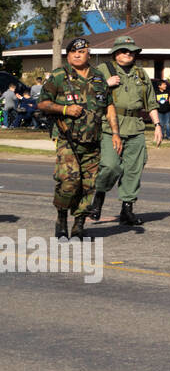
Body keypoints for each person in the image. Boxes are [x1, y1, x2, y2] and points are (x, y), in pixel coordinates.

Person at [36, 38, 114, 239]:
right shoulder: (59, 76)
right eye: (73, 52)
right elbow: (42, 104)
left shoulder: (98, 77)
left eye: (82, 51)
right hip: (67, 138)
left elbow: (109, 106)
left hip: (93, 140)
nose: (77, 55)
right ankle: (61, 217)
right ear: (68, 55)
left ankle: (79, 224)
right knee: (69, 181)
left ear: (89, 54)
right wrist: (64, 109)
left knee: (88, 185)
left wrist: (115, 133)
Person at [90, 36, 163, 227]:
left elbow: (151, 102)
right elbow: (89, 94)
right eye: (124, 50)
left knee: (134, 169)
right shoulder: (103, 70)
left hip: (135, 126)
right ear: (115, 53)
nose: (128, 54)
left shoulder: (141, 74)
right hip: (109, 126)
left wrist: (157, 125)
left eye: (131, 51)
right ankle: (98, 197)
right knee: (111, 165)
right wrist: (105, 84)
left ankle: (127, 209)